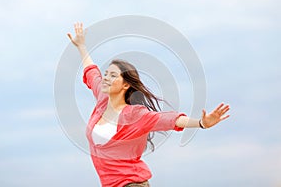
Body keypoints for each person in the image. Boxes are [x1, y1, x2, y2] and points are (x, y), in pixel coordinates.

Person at [67, 22, 230, 187]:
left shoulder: (135, 115)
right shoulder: (102, 100)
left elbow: (170, 120)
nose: (106, 77)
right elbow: (92, 72)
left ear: (125, 85)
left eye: (113, 75)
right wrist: (81, 46)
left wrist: (201, 123)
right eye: (107, 74)